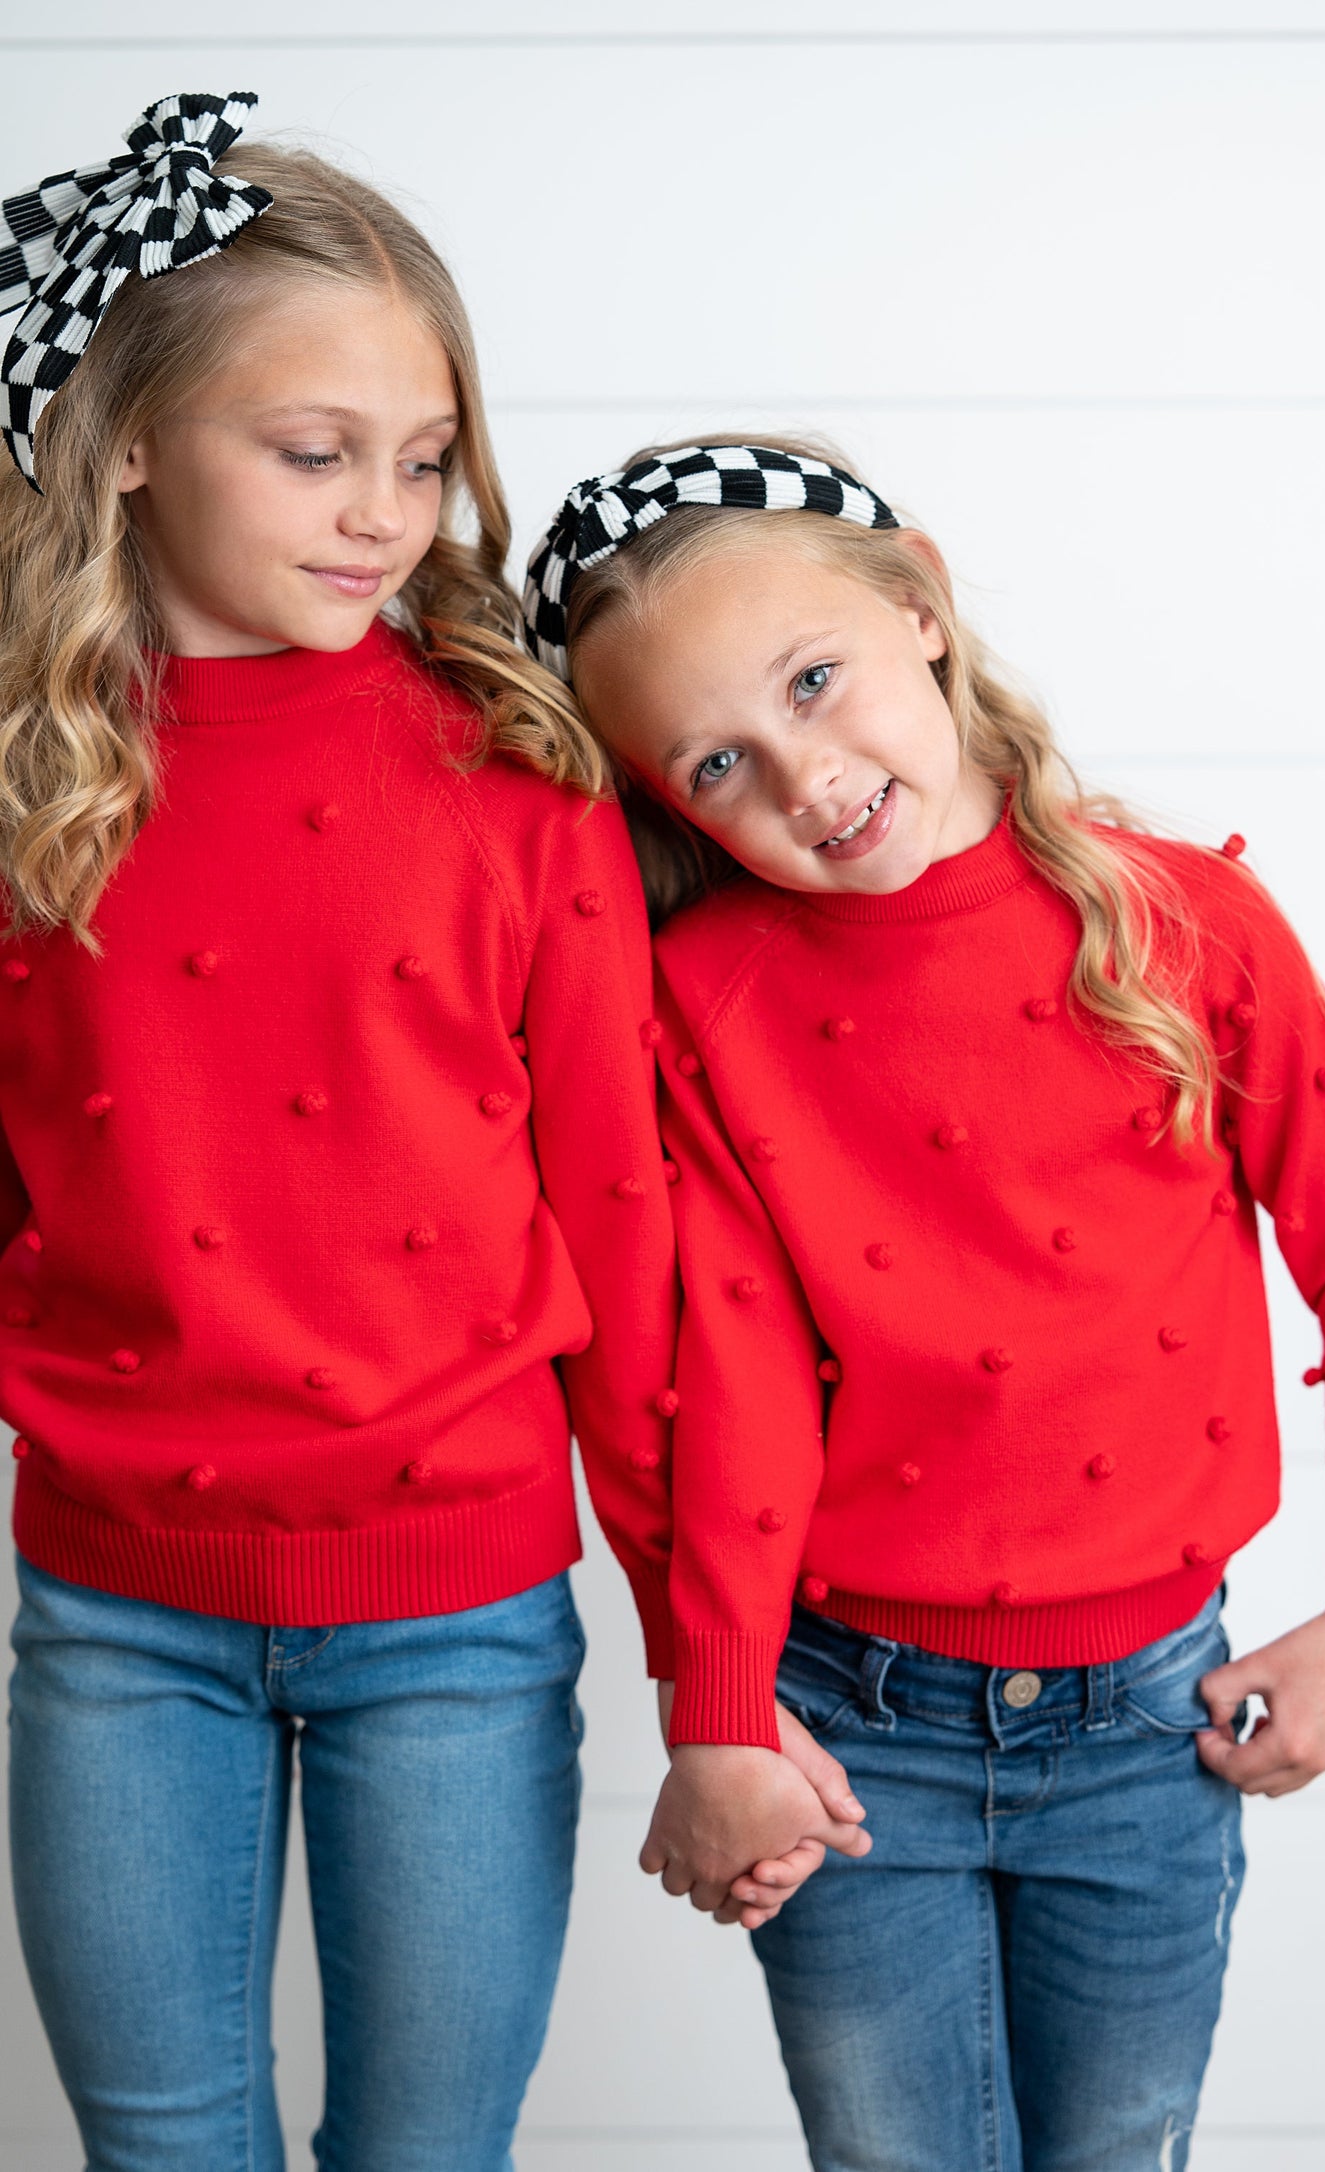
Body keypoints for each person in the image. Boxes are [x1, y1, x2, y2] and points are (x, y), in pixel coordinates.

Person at [523, 438, 1325, 2172]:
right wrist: (715, 1702)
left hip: (1154, 1730)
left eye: (815, 682)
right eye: (720, 762)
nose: (804, 775)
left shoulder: (1182, 926)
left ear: (918, 606)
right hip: (851, 1734)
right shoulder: (701, 1005)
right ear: (668, 807)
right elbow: (699, 1382)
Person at [0, 93, 689, 2172]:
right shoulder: (32, 785)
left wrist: (717, 1669)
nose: (382, 513)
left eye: (420, 459)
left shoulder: (516, 776)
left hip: (464, 1614)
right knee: (163, 2145)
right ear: (125, 441)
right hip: (115, 1609)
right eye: (316, 457)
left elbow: (623, 1217)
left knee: (429, 2151)